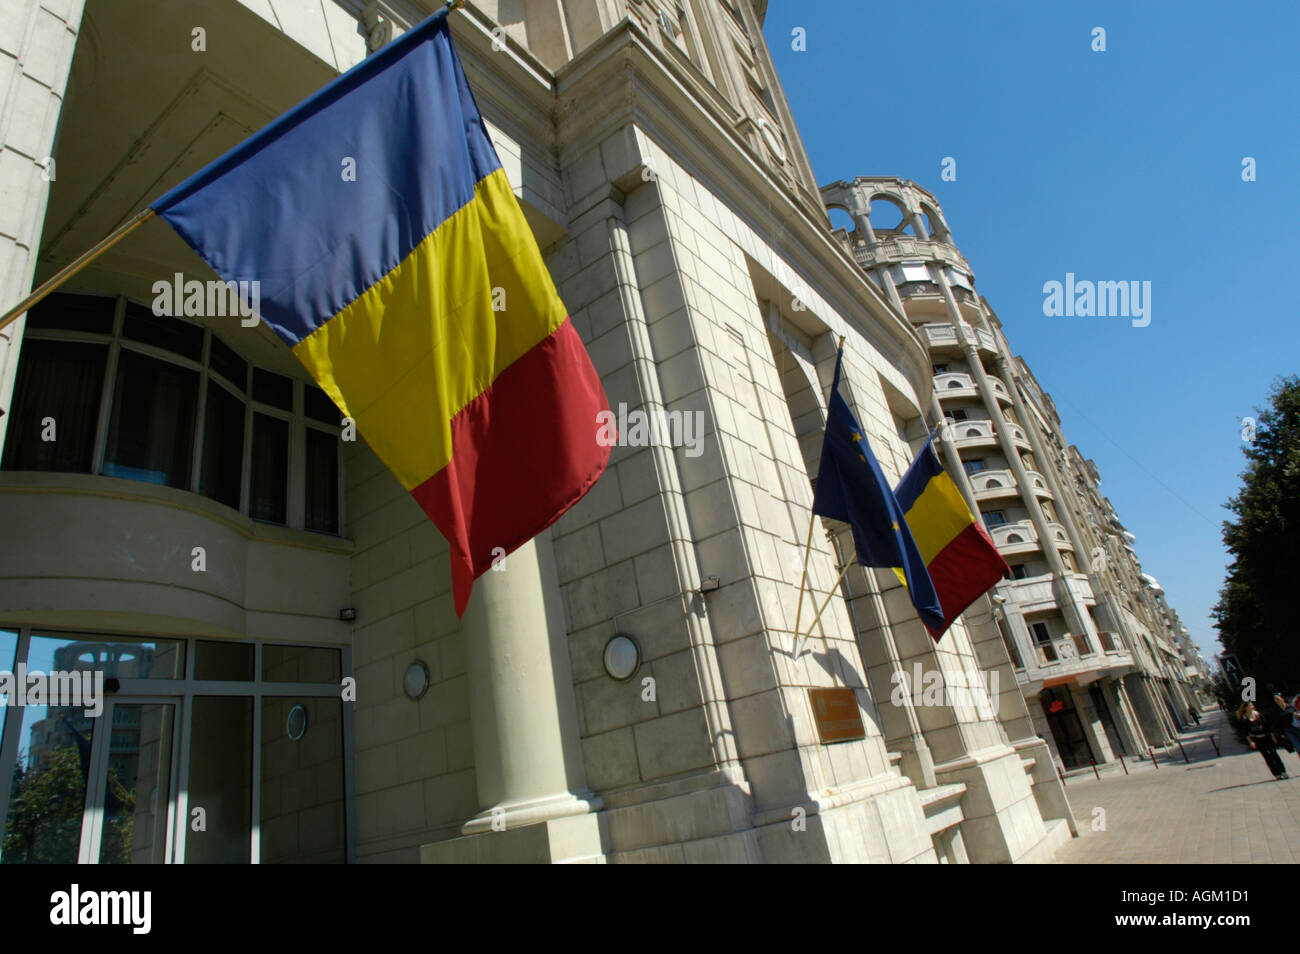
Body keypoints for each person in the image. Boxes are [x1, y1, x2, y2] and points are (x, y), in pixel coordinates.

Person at [1240, 701, 1289, 780]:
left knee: (1274, 754)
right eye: (1250, 705)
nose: (1252, 706)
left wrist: (1273, 736)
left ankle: (1283, 771)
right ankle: (1276, 774)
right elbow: (1246, 732)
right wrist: (1251, 742)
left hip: (1267, 737)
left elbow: (1267, 726)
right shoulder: (1244, 718)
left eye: (1252, 705)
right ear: (1246, 708)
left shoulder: (1258, 715)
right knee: (1267, 757)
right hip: (1257, 739)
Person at [1272, 692, 1300, 763]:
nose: (1278, 701)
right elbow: (1277, 724)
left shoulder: (1290, 707)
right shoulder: (1277, 711)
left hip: (1297, 728)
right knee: (1297, 746)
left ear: (1282, 699)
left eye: (1278, 699)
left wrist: (1297, 715)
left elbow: (1298, 714)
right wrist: (1281, 734)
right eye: (1276, 700)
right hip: (1288, 731)